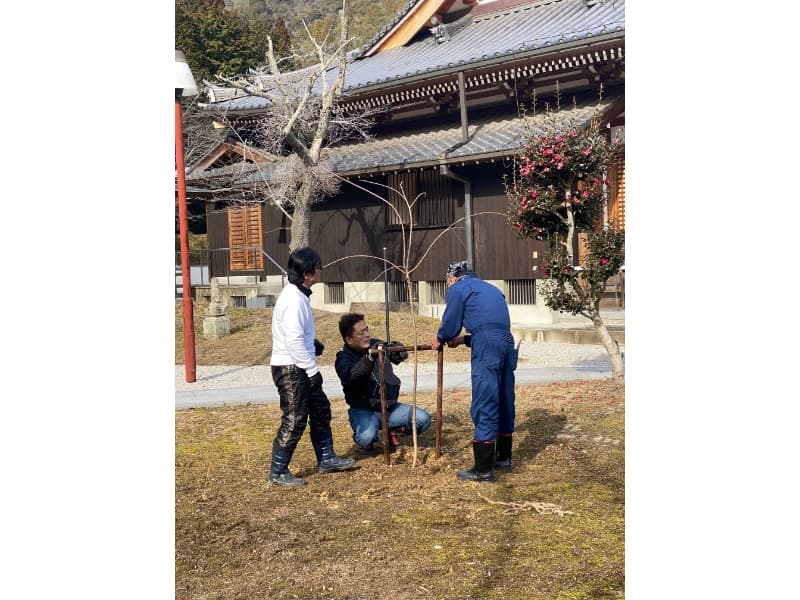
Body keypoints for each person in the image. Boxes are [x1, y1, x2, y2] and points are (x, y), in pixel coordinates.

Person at [267, 247, 356, 486]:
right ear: (307, 273)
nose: (320, 270)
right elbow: (293, 340)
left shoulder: (299, 295)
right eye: (318, 267)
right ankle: (278, 471)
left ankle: (327, 458)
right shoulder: (293, 299)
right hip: (291, 368)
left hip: (299, 363)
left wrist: (312, 344)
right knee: (295, 418)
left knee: (320, 410)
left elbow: (294, 334)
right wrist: (312, 370)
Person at [430, 261, 517, 483]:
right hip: (506, 343)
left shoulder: (458, 288)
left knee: (485, 400)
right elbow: (492, 326)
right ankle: (503, 457)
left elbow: (451, 323)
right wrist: (465, 340)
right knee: (504, 398)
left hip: (487, 347)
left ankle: (483, 470)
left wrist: (441, 337)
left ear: (451, 279)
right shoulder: (492, 289)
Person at [335, 313, 432, 454]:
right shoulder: (343, 359)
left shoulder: (376, 344)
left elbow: (392, 348)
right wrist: (369, 358)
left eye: (367, 330)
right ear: (349, 339)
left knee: (423, 419)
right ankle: (365, 438)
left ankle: (393, 430)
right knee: (366, 437)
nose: (367, 335)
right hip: (364, 410)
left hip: (389, 408)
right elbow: (352, 376)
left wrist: (398, 350)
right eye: (361, 333)